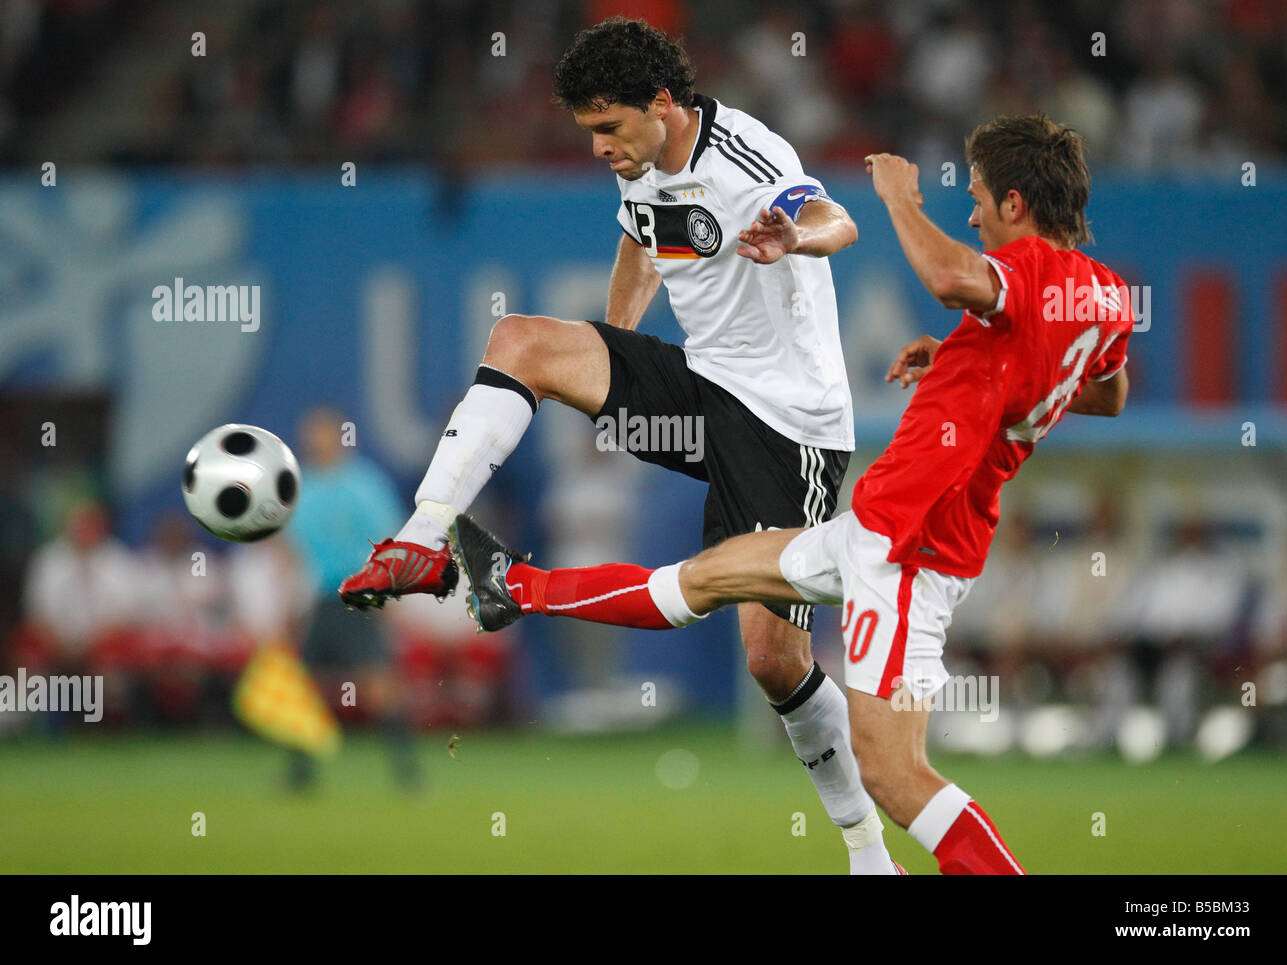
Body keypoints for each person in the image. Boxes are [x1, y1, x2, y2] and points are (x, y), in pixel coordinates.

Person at [451, 114, 1134, 875]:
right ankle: (511, 585)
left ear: (1014, 202)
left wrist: (898, 197)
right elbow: (1105, 393)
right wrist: (969, 359)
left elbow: (947, 277)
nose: (969, 215)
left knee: (895, 774)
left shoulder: (1032, 271)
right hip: (877, 530)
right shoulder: (1102, 297)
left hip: (912, 547)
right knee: (710, 575)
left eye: (975, 199)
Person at [339, 17, 896, 873]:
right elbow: (643, 236)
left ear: (663, 105)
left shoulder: (746, 157)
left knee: (772, 661)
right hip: (700, 393)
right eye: (590, 131)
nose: (600, 147)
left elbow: (834, 218)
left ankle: (866, 850)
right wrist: (616, 350)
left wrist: (795, 235)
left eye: (608, 128)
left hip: (790, 429)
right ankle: (421, 535)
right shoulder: (642, 169)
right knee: (523, 340)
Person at [289, 407, 420, 790]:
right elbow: (290, 549)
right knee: (303, 685)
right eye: (311, 431)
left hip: (359, 597)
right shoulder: (302, 488)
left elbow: (388, 542)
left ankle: (405, 767)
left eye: (323, 430)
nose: (315, 438)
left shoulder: (365, 485)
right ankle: (300, 771)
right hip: (319, 599)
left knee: (378, 685)